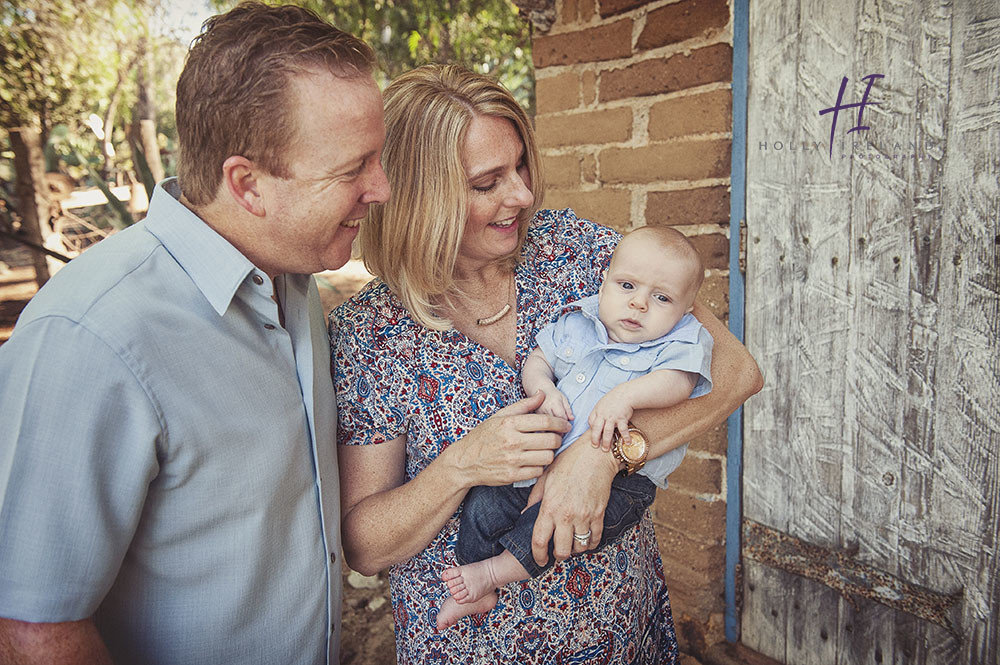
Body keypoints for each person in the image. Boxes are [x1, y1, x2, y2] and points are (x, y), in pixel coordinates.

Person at [331, 64, 762, 664]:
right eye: (488, 182)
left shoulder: (575, 251)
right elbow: (367, 546)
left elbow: (736, 372)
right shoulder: (371, 335)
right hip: (470, 646)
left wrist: (603, 454)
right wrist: (461, 466)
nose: (523, 195)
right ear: (416, 199)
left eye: (520, 167)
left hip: (618, 626)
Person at [0, 4, 389, 664]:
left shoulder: (292, 278)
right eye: (354, 168)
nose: (379, 187)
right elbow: (32, 628)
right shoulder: (91, 337)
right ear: (249, 184)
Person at [437, 226, 713, 629]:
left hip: (624, 481)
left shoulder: (681, 341)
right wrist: (544, 389)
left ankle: (493, 574)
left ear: (687, 308)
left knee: (556, 525)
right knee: (483, 503)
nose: (638, 304)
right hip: (543, 460)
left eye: (662, 298)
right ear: (605, 280)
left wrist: (627, 397)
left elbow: (680, 382)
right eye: (627, 285)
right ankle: (474, 576)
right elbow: (538, 360)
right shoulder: (577, 322)